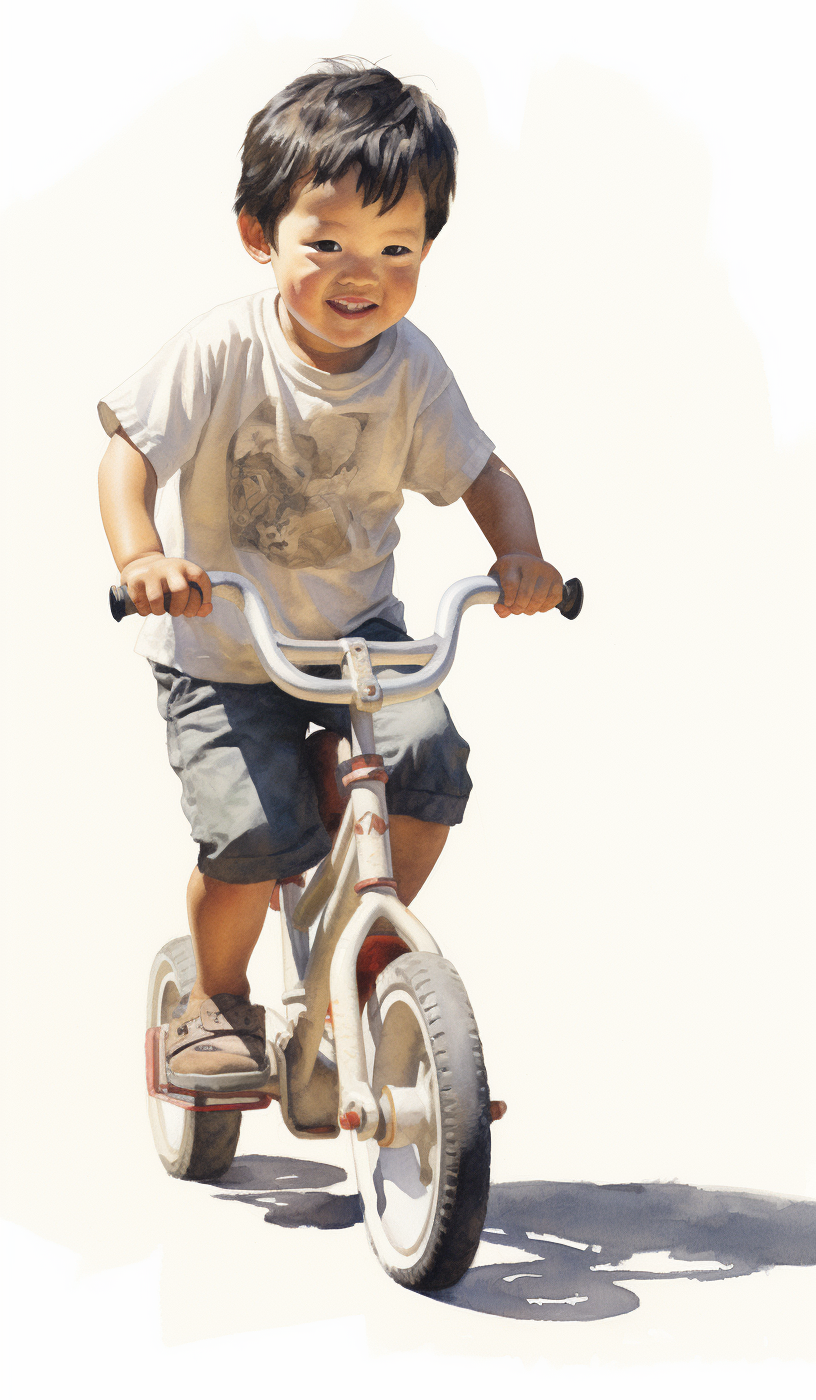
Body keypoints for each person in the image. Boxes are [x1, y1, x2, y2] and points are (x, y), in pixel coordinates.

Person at [98, 60, 563, 1089]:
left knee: (431, 764)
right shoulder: (222, 348)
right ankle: (213, 1003)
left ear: (429, 248)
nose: (366, 274)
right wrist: (142, 558)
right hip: (226, 648)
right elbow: (130, 453)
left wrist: (518, 555)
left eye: (398, 248)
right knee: (254, 836)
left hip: (358, 642)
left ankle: (363, 947)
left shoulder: (412, 366)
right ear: (259, 236)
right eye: (329, 243)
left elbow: (482, 470)